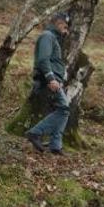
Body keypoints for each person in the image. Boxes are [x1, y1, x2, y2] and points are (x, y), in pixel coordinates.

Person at [25, 12, 70, 155]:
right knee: (63, 109)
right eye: (65, 25)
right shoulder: (47, 36)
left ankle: (55, 145)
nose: (66, 29)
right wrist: (51, 78)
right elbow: (43, 60)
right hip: (47, 80)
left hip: (54, 80)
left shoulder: (53, 38)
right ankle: (35, 133)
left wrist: (58, 79)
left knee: (63, 110)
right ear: (58, 22)